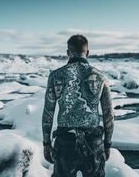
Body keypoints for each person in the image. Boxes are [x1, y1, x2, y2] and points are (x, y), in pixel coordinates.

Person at [42, 34, 114, 177]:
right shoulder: (101, 77)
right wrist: (107, 145)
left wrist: (46, 143)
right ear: (87, 52)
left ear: (68, 53)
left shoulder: (56, 76)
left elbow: (48, 113)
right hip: (93, 142)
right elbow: (109, 115)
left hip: (65, 142)